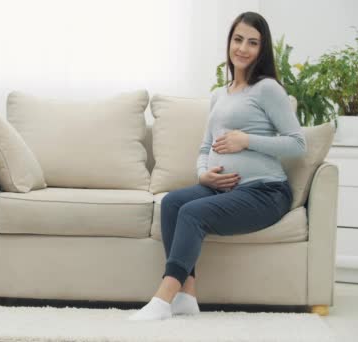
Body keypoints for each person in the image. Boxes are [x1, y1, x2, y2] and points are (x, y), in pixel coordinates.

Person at [129, 11, 306, 321]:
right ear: (229, 43)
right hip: (221, 190)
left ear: (261, 50)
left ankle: (163, 297)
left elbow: (297, 144)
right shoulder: (218, 95)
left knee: (192, 213)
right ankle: (187, 295)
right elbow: (205, 147)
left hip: (265, 192)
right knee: (171, 203)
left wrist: (246, 140)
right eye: (238, 39)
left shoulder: (267, 89)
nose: (243, 48)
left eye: (253, 43)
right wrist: (203, 174)